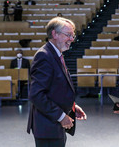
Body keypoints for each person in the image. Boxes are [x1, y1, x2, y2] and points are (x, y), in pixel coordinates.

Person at [27, 17, 87, 147]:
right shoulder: (44, 56)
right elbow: (36, 95)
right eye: (68, 35)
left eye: (73, 35)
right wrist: (61, 116)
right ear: (54, 34)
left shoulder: (55, 54)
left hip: (53, 127)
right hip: (48, 127)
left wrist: (71, 106)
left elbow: (55, 89)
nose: (72, 39)